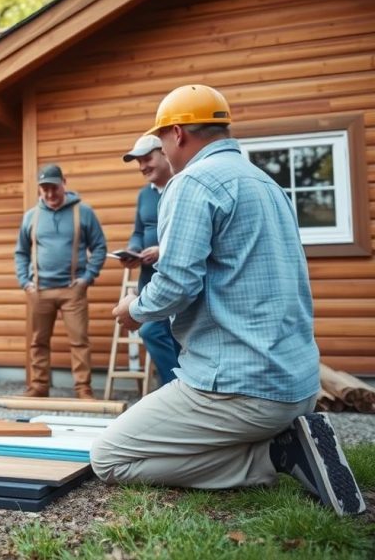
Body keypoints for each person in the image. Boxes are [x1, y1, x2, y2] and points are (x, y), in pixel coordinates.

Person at [94, 85, 365, 516]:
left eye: (161, 139)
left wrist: (135, 310)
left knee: (109, 457)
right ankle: (285, 438)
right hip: (296, 386)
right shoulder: (266, 183)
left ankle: (274, 456)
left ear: (177, 133)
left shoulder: (192, 183)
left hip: (240, 389)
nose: (161, 150)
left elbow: (176, 284)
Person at [14, 164, 107, 400]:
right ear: (39, 190)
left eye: (53, 187)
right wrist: (25, 282)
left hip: (72, 290)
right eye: (44, 188)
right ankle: (38, 386)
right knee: (38, 341)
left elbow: (99, 247)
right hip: (39, 290)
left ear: (63, 183)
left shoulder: (83, 212)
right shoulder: (31, 217)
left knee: (79, 341)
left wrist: (87, 278)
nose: (50, 194)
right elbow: (21, 252)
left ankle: (83, 388)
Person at [118, 134, 181, 385]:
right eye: (138, 162)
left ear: (164, 153)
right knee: (152, 330)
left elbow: (189, 237)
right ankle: (173, 387)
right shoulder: (144, 196)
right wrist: (133, 251)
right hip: (148, 279)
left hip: (176, 279)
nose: (143, 166)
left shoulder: (182, 188)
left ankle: (180, 389)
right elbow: (138, 231)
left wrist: (161, 250)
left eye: (147, 159)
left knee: (176, 336)